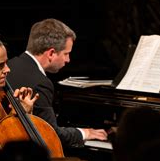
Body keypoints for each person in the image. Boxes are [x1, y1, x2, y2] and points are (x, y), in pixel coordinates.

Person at [7, 18, 107, 148]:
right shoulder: (41, 83)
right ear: (51, 53)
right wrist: (85, 132)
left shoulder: (10, 65)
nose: (68, 60)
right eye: (66, 53)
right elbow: (51, 134)